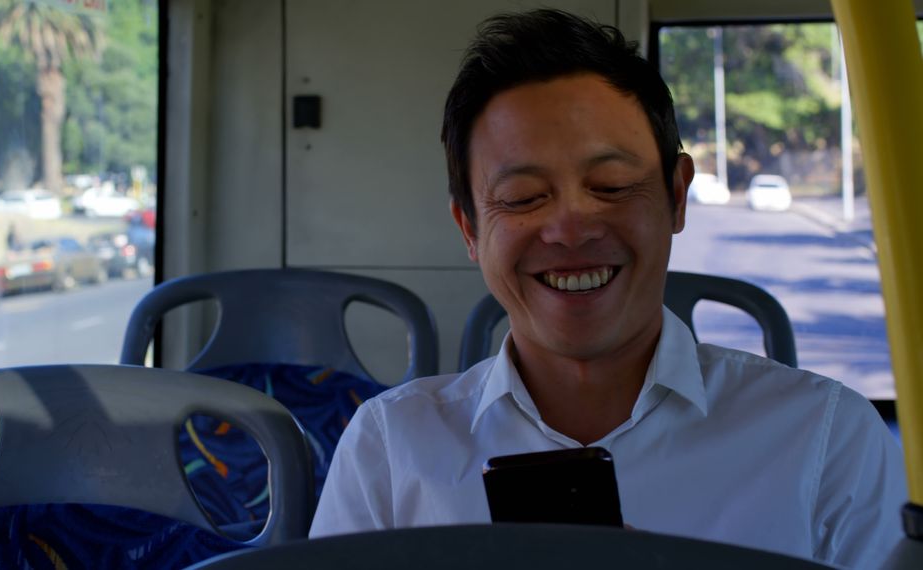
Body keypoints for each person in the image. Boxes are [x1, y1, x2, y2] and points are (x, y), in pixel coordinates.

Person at [309, 9, 906, 568]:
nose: (571, 229)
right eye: (523, 198)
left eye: (613, 186)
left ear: (677, 196)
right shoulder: (390, 447)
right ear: (470, 228)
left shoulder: (827, 440)